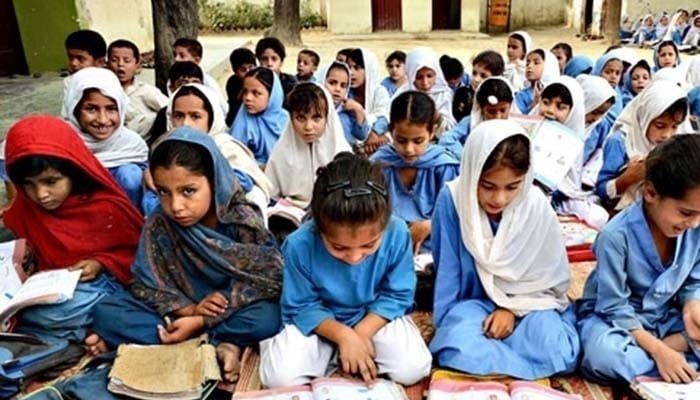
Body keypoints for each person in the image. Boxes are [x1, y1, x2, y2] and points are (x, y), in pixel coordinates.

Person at [91, 127, 284, 382]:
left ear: (214, 181)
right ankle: (219, 346)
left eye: (188, 191)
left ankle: (191, 343)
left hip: (227, 311)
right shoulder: (160, 222)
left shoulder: (242, 219)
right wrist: (188, 310)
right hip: (178, 311)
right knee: (107, 310)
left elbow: (269, 278)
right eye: (163, 192)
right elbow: (144, 284)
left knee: (270, 318)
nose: (176, 206)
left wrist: (202, 320)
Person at [259, 152, 432, 387]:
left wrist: (360, 333)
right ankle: (330, 352)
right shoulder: (300, 244)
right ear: (319, 229)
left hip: (374, 316)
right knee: (279, 376)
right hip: (320, 322)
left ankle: (336, 357)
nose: (354, 257)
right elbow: (301, 305)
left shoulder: (398, 233)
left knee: (413, 367)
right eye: (339, 247)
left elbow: (397, 294)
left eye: (369, 245)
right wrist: (343, 336)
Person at [429, 119, 578, 379]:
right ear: (473, 172)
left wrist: (511, 309)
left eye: (512, 187)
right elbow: (449, 275)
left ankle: (495, 365)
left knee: (557, 348)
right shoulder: (453, 200)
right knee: (456, 344)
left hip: (531, 304)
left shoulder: (536, 205)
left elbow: (549, 279)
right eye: (488, 186)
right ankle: (511, 363)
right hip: (473, 303)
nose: (499, 199)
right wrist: (448, 324)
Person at [3, 115, 142, 345]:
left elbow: (139, 257)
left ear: (73, 172)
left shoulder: (106, 206)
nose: (41, 195)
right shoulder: (25, 209)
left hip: (97, 287)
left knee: (53, 313)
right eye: (29, 184)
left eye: (51, 181)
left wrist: (100, 262)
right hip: (41, 290)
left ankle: (93, 328)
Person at [578, 134, 700, 384]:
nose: (694, 223)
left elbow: (693, 282)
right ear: (651, 193)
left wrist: (692, 307)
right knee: (604, 356)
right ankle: (673, 359)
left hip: (665, 317)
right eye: (686, 212)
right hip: (616, 322)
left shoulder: (695, 228)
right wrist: (659, 350)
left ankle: (669, 357)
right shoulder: (615, 236)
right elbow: (613, 307)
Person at [371, 91, 459, 253]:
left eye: (418, 141)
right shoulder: (379, 165)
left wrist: (431, 224)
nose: (409, 150)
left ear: (432, 132)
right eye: (401, 140)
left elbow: (457, 213)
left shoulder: (444, 167)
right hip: (385, 245)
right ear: (391, 131)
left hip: (434, 246)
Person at [62, 67, 149, 210]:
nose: (103, 120)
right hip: (79, 219)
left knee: (130, 175)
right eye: (91, 109)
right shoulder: (62, 139)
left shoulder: (131, 144)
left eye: (111, 109)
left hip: (125, 220)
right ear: (74, 109)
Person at [595, 80, 689, 211]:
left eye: (674, 127)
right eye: (660, 126)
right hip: (624, 214)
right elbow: (600, 189)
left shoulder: (675, 145)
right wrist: (627, 178)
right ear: (644, 118)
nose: (667, 135)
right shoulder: (621, 142)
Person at [534, 76, 609, 229]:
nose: (550, 111)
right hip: (527, 194)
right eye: (546, 102)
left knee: (599, 216)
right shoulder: (528, 129)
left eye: (560, 107)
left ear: (573, 111)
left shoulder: (573, 139)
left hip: (559, 198)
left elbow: (570, 185)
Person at [266, 82, 351, 211]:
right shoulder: (281, 153)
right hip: (292, 213)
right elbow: (271, 194)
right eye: (301, 118)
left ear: (328, 118)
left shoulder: (341, 153)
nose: (308, 127)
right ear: (291, 119)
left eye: (316, 118)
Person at [440, 76, 515, 160]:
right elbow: (446, 138)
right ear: (481, 108)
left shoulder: (515, 126)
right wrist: (467, 158)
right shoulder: (470, 122)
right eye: (491, 112)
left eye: (503, 110)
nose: (498, 117)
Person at [107, 39, 168, 140]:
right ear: (107, 64)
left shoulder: (145, 91)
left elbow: (169, 110)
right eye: (114, 60)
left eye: (127, 61)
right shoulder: (102, 91)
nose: (120, 64)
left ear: (137, 65)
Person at [229, 67, 289, 166]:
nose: (248, 98)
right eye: (245, 92)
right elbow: (235, 158)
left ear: (273, 95)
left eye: (256, 93)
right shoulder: (243, 121)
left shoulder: (286, 119)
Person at [399, 47, 456, 135]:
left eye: (429, 76)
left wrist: (436, 115)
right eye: (419, 77)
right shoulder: (403, 94)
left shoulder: (444, 94)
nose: (425, 83)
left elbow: (451, 129)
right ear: (411, 76)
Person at [346, 48, 392, 155]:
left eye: (357, 68)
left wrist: (374, 134)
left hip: (376, 141)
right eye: (348, 67)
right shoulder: (345, 93)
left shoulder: (379, 91)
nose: (351, 73)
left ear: (369, 69)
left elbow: (384, 117)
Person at [148, 61, 204, 145]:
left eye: (195, 82)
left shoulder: (210, 110)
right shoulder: (165, 114)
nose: (190, 87)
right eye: (183, 83)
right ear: (171, 88)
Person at [172, 37, 228, 114]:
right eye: (175, 55)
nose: (176, 59)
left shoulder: (208, 82)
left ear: (197, 60)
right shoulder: (174, 77)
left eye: (182, 56)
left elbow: (223, 108)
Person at [452, 50, 505, 122]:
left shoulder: (501, 99)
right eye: (474, 73)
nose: (476, 79)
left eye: (483, 76)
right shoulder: (462, 94)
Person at [514, 49, 560, 114]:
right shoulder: (521, 95)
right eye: (527, 64)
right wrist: (535, 103)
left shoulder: (558, 93)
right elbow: (519, 118)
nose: (529, 66)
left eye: (536, 63)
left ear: (548, 67)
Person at [225, 48, 257, 126]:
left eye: (251, 67)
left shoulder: (260, 79)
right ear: (235, 70)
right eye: (243, 70)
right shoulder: (232, 82)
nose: (248, 72)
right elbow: (237, 101)